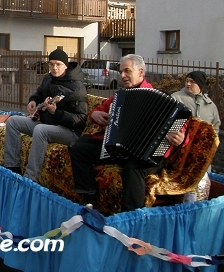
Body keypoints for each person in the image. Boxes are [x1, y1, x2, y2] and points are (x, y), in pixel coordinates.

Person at [68, 54, 186, 211]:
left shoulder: (158, 97)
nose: (122, 75)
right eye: (121, 71)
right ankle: (89, 198)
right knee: (77, 148)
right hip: (119, 149)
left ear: (141, 72)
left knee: (132, 168)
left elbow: (181, 125)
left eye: (127, 71)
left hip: (149, 154)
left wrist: (180, 138)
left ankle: (130, 217)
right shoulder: (120, 96)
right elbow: (98, 110)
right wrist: (95, 114)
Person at [3, 49, 87, 182]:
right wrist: (33, 100)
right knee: (12, 121)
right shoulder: (48, 78)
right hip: (48, 123)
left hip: (69, 131)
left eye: (58, 64)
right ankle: (12, 168)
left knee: (40, 130)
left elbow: (81, 119)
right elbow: (40, 92)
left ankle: (30, 178)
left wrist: (56, 112)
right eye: (51, 64)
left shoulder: (76, 86)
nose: (54, 68)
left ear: (65, 65)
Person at [172, 70, 221, 202]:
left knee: (201, 189)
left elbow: (215, 127)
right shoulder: (176, 99)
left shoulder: (210, 106)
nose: (188, 84)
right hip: (180, 154)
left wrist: (209, 145)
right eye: (187, 80)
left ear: (200, 85)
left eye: (192, 82)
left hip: (201, 156)